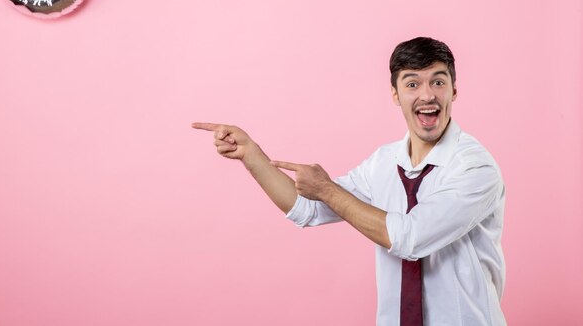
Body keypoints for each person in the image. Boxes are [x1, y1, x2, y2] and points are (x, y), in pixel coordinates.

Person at [193, 37, 505, 326]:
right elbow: (309, 208)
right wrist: (252, 155)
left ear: (454, 90)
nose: (427, 95)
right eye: (413, 83)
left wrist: (328, 189)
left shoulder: (474, 167)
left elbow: (411, 239)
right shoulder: (383, 163)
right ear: (395, 94)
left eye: (438, 81)